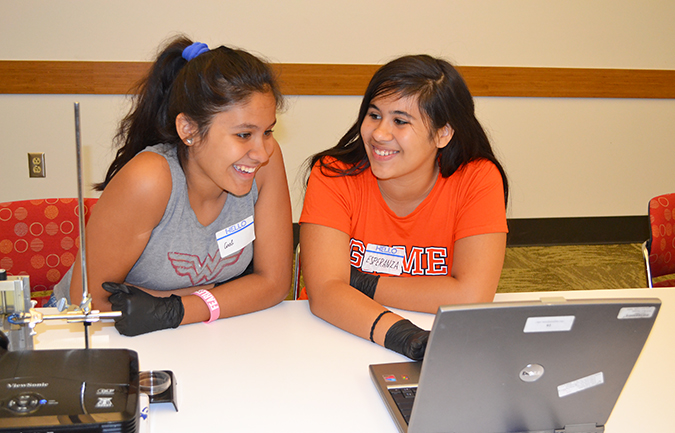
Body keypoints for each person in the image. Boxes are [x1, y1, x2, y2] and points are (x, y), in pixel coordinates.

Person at [53, 36, 293, 336]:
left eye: (268, 131)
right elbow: (89, 301)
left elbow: (274, 283)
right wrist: (215, 294)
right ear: (189, 130)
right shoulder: (149, 179)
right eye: (244, 134)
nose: (262, 152)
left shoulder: (264, 165)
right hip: (84, 329)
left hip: (188, 327)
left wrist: (175, 309)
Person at [299, 55, 508, 360]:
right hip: (337, 332)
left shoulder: (476, 179)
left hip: (433, 336)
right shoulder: (333, 174)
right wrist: (406, 338)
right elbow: (325, 294)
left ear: (442, 133)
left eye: (400, 121)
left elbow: (471, 296)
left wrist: (357, 282)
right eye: (373, 115)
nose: (380, 134)